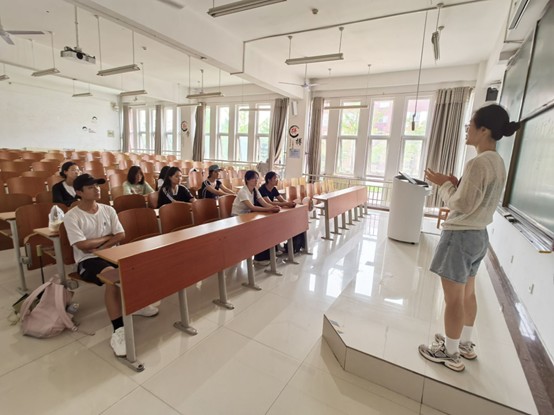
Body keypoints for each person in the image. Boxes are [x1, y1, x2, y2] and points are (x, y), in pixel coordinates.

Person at [418, 104, 520, 372]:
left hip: (460, 236)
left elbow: (461, 204)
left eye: (470, 125)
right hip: (478, 236)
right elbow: (477, 198)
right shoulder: (497, 162)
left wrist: (444, 184)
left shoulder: (477, 163)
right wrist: (457, 183)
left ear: (483, 130)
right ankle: (463, 343)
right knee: (468, 293)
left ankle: (450, 353)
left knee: (453, 298)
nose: (467, 130)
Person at [63, 174, 159, 357]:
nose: (97, 189)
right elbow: (82, 245)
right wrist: (107, 238)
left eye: (97, 186)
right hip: (87, 260)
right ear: (79, 192)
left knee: (138, 266)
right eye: (91, 187)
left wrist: (102, 246)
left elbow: (121, 234)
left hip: (110, 252)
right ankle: (118, 330)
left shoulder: (108, 209)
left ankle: (136, 305)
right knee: (113, 278)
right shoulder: (72, 216)